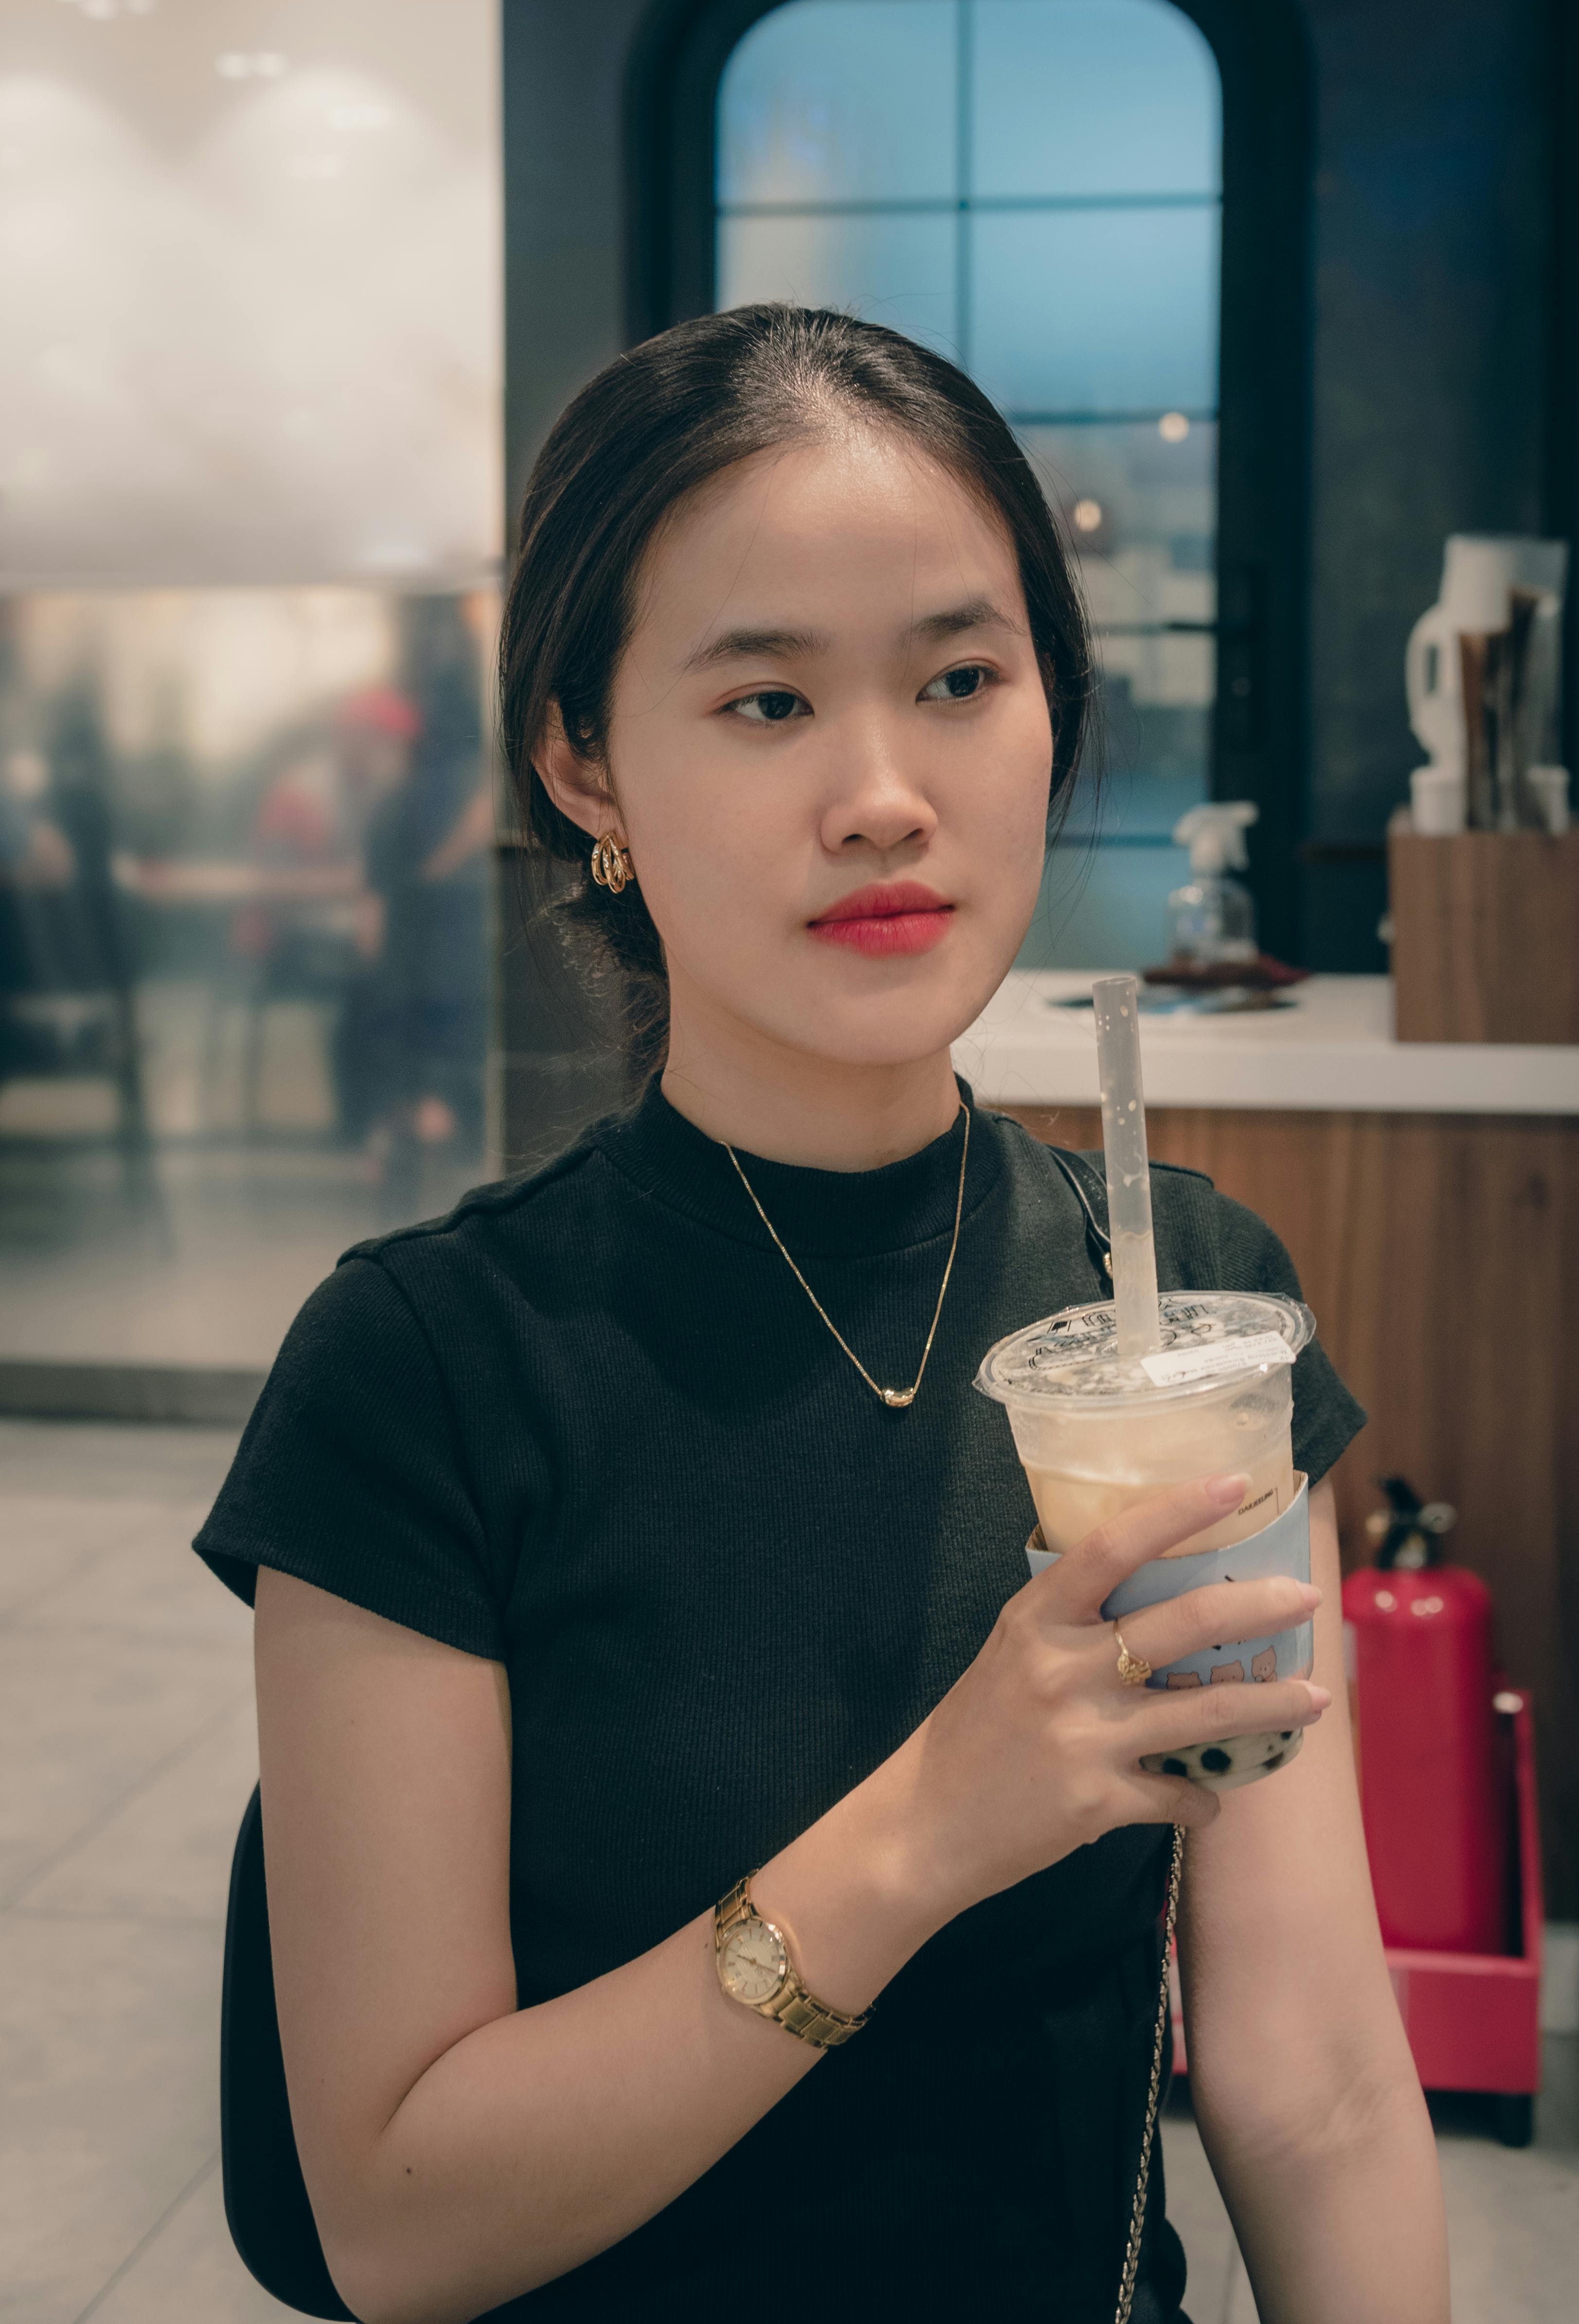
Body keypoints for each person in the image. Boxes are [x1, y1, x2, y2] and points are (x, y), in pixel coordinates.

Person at [194, 306, 1448, 2324]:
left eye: (960, 675)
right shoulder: (425, 1372)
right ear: (580, 758)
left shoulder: (1180, 1305)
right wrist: (928, 1830)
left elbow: (1307, 2088)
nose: (883, 793)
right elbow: (396, 2216)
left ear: (1052, 703)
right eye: (765, 703)